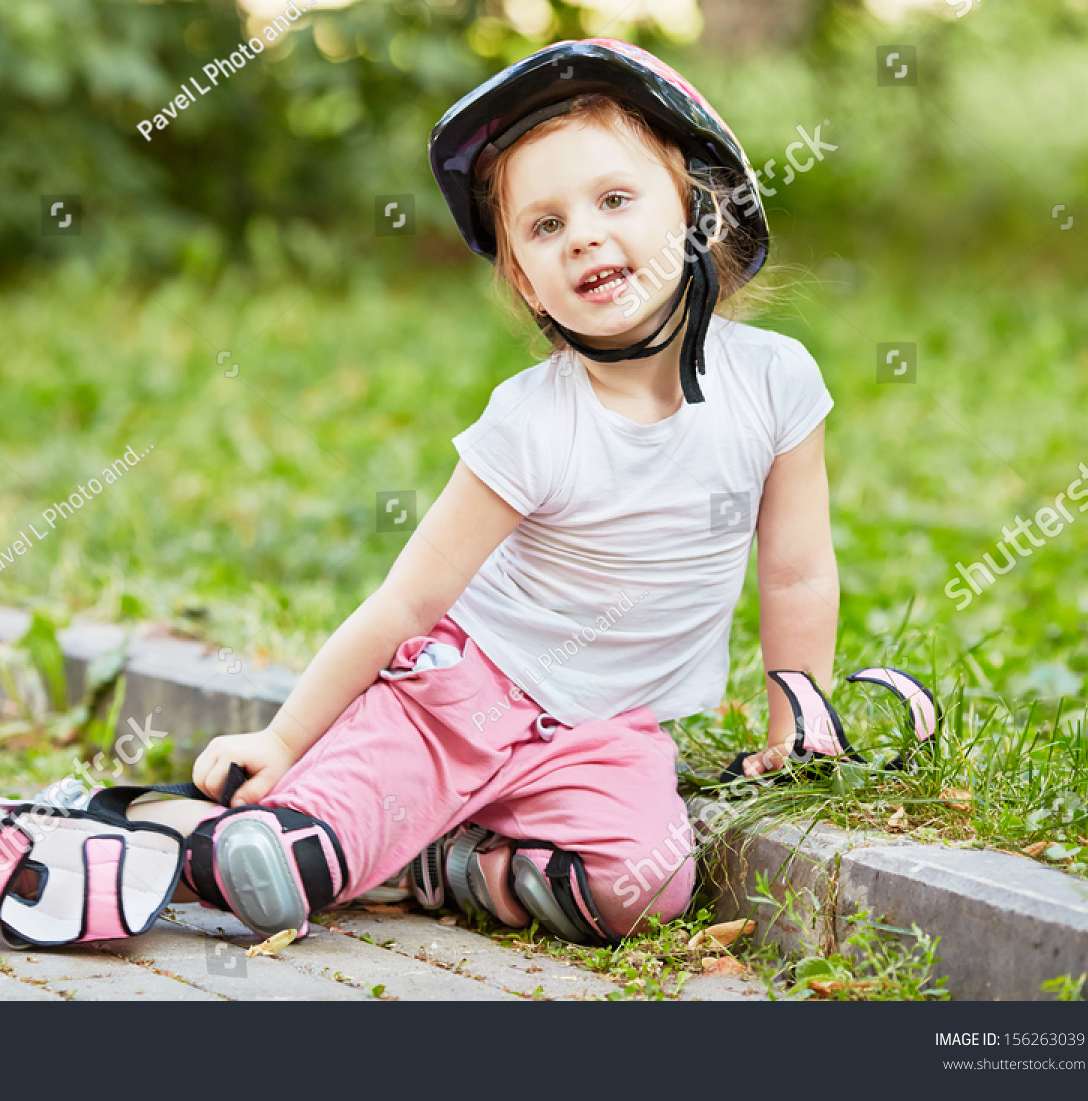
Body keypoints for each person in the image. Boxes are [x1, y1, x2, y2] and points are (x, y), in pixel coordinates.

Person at [124, 38, 839, 947]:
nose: (582, 233)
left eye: (615, 199)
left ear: (697, 206)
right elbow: (408, 599)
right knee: (281, 861)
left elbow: (798, 573)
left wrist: (798, 725)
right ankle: (184, 837)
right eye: (544, 226)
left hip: (606, 729)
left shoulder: (777, 382)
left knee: (649, 880)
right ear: (522, 278)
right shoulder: (533, 422)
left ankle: (451, 862)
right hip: (458, 700)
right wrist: (284, 739)